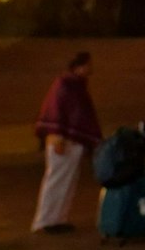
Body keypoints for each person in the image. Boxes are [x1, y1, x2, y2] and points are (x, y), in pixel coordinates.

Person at [32, 50, 101, 233]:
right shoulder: (65, 84)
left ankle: (59, 218)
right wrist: (57, 135)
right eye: (88, 64)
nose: (90, 68)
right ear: (79, 66)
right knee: (56, 179)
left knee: (68, 181)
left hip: (72, 141)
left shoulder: (77, 85)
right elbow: (56, 111)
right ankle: (45, 220)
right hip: (62, 140)